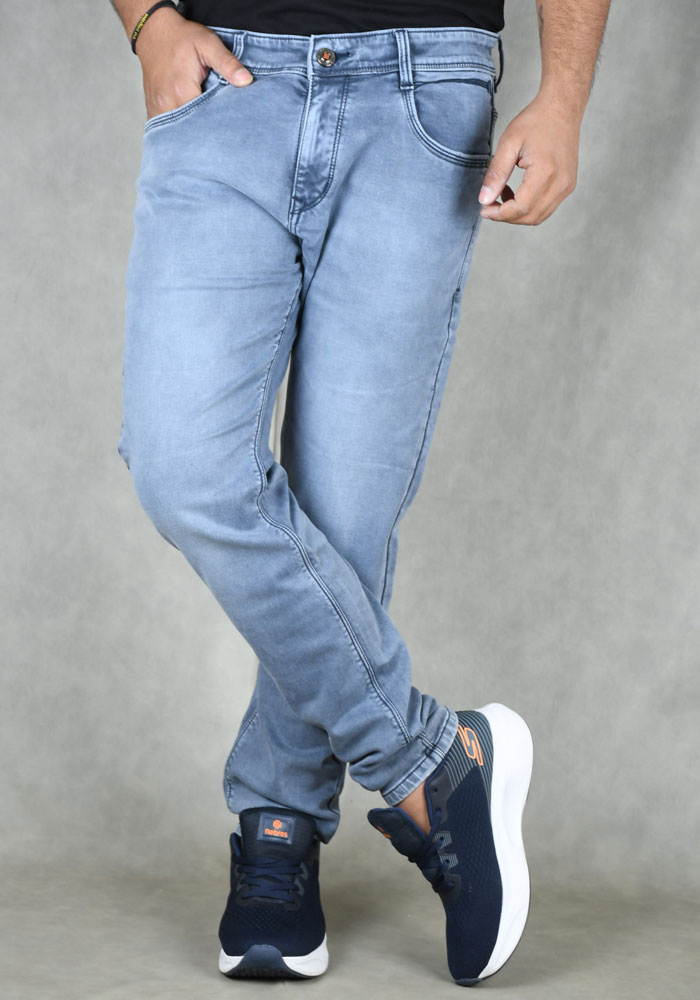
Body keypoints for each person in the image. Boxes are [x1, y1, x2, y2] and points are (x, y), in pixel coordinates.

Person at [110, 0, 610, 985]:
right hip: (227, 81)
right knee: (182, 465)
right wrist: (146, 20)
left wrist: (562, 96)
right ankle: (433, 761)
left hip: (422, 84)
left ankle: (279, 825)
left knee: (344, 516)